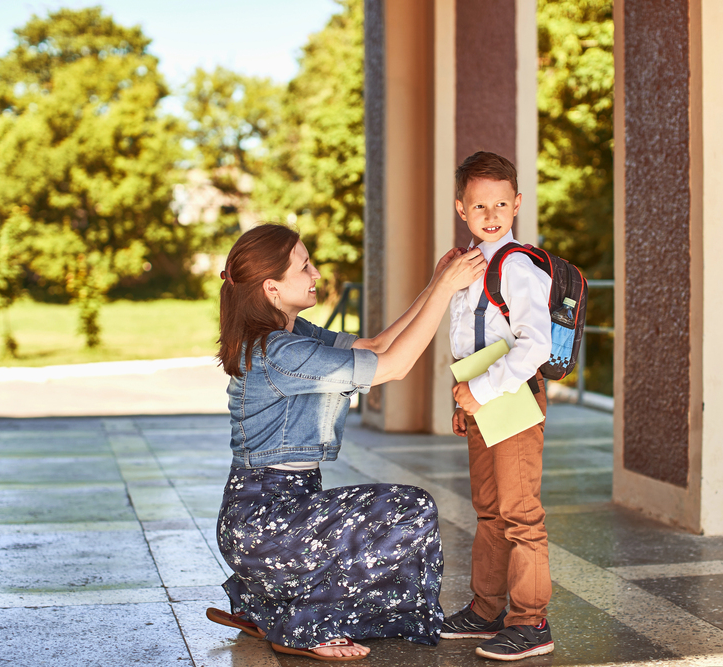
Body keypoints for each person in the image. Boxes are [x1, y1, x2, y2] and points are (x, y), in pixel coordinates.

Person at [206, 223, 485, 661]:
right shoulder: (279, 351)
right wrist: (447, 291)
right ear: (271, 287)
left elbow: (375, 346)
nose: (316, 273)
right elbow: (392, 367)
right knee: (410, 509)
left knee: (383, 522)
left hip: (267, 517)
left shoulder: (291, 333)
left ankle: (267, 604)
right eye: (304, 266)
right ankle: (302, 624)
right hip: (266, 526)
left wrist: (435, 284)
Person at [442, 151, 556, 661]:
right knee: (489, 510)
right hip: (483, 403)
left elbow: (535, 343)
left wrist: (481, 392)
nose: (491, 215)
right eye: (479, 205)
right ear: (462, 210)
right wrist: (466, 400)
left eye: (501, 205)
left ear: (517, 205)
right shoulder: (469, 266)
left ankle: (530, 621)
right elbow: (470, 339)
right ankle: (486, 609)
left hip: (513, 401)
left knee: (520, 513)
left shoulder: (517, 266)